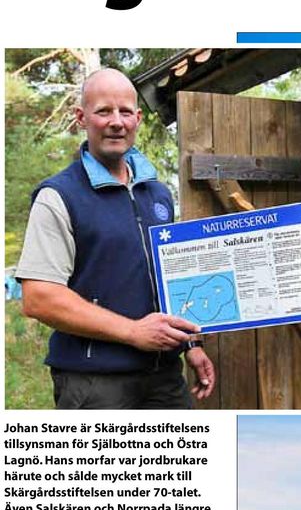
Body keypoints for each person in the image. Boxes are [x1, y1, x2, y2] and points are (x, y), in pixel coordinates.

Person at [16, 67, 216, 410]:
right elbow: (39, 298)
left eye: (125, 111)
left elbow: (169, 281)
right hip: (94, 384)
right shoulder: (58, 196)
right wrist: (133, 332)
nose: (116, 121)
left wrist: (190, 346)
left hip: (164, 379)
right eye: (103, 111)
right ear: (81, 117)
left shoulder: (157, 194)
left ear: (138, 118)